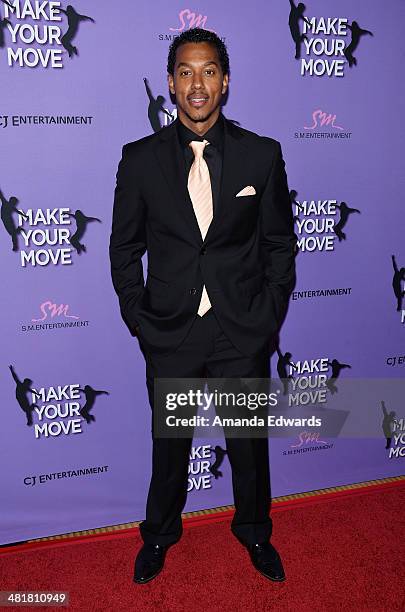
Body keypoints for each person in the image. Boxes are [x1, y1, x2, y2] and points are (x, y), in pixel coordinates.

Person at [109, 28, 297, 584]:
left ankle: (256, 532)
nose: (198, 84)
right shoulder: (139, 160)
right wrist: (138, 318)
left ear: (226, 82)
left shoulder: (261, 156)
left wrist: (268, 316)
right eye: (186, 72)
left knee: (248, 447)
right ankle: (160, 535)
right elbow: (125, 248)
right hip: (170, 331)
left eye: (209, 71)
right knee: (170, 447)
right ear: (171, 83)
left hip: (241, 329)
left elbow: (279, 244)